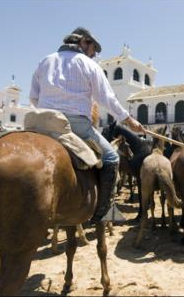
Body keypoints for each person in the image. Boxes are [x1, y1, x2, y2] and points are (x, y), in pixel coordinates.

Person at [29, 27, 145, 222]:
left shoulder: (45, 61)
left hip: (40, 121)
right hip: (75, 124)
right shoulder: (89, 65)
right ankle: (101, 211)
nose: (94, 54)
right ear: (84, 42)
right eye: (93, 49)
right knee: (111, 158)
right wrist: (129, 120)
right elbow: (107, 98)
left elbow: (33, 97)